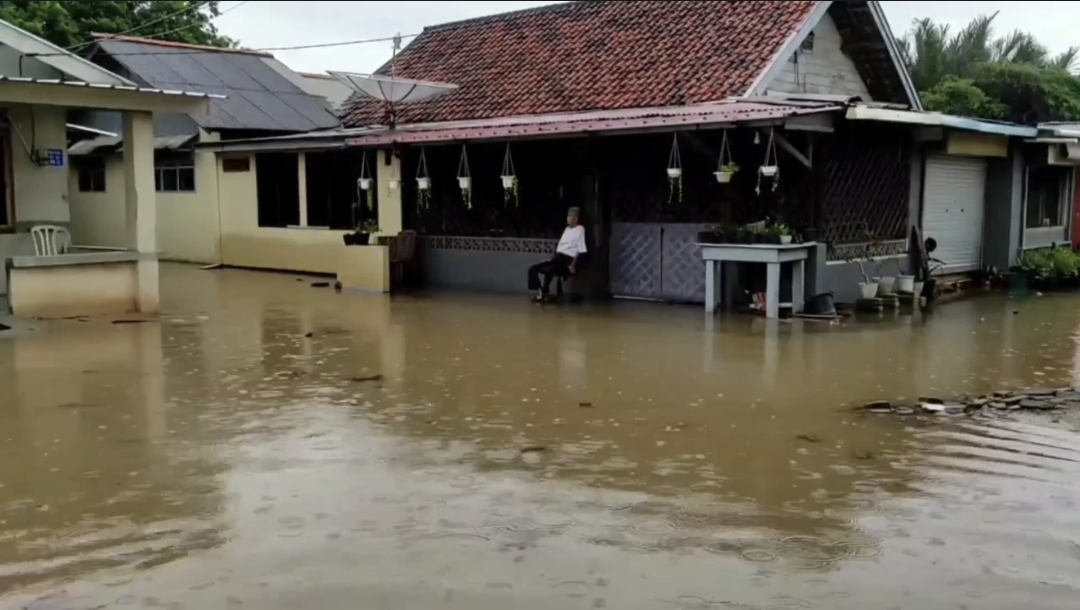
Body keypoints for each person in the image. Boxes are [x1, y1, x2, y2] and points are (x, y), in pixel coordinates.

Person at [528, 207, 587, 302]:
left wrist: (572, 265)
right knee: (533, 269)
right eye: (567, 216)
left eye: (571, 216)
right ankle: (540, 291)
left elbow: (581, 250)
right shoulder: (567, 229)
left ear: (576, 218)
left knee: (549, 270)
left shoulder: (580, 229)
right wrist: (550, 259)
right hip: (558, 258)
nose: (568, 218)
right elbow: (560, 248)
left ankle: (544, 291)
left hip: (568, 260)